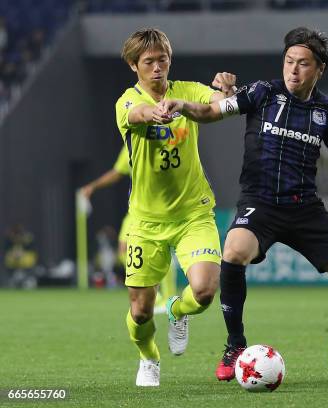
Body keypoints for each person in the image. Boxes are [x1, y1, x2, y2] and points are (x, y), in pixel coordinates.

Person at [157, 26, 328, 384]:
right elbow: (213, 111)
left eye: (303, 64)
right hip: (260, 204)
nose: (293, 70)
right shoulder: (263, 93)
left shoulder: (327, 111)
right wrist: (181, 105)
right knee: (234, 251)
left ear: (319, 69)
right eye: (289, 61)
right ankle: (235, 345)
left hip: (305, 209)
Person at [115, 28, 235, 387]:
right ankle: (149, 357)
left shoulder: (187, 90)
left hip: (193, 213)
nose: (157, 68)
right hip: (146, 221)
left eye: (162, 60)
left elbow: (215, 106)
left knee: (204, 291)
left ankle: (176, 311)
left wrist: (227, 91)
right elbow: (135, 114)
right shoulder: (126, 101)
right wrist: (153, 113)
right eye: (148, 61)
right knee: (138, 311)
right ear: (134, 65)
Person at [80, 146, 177, 311]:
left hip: (159, 206)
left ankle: (169, 300)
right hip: (136, 207)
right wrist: (93, 186)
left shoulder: (162, 139)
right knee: (124, 250)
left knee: (162, 249)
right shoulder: (130, 144)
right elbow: (117, 172)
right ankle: (157, 297)